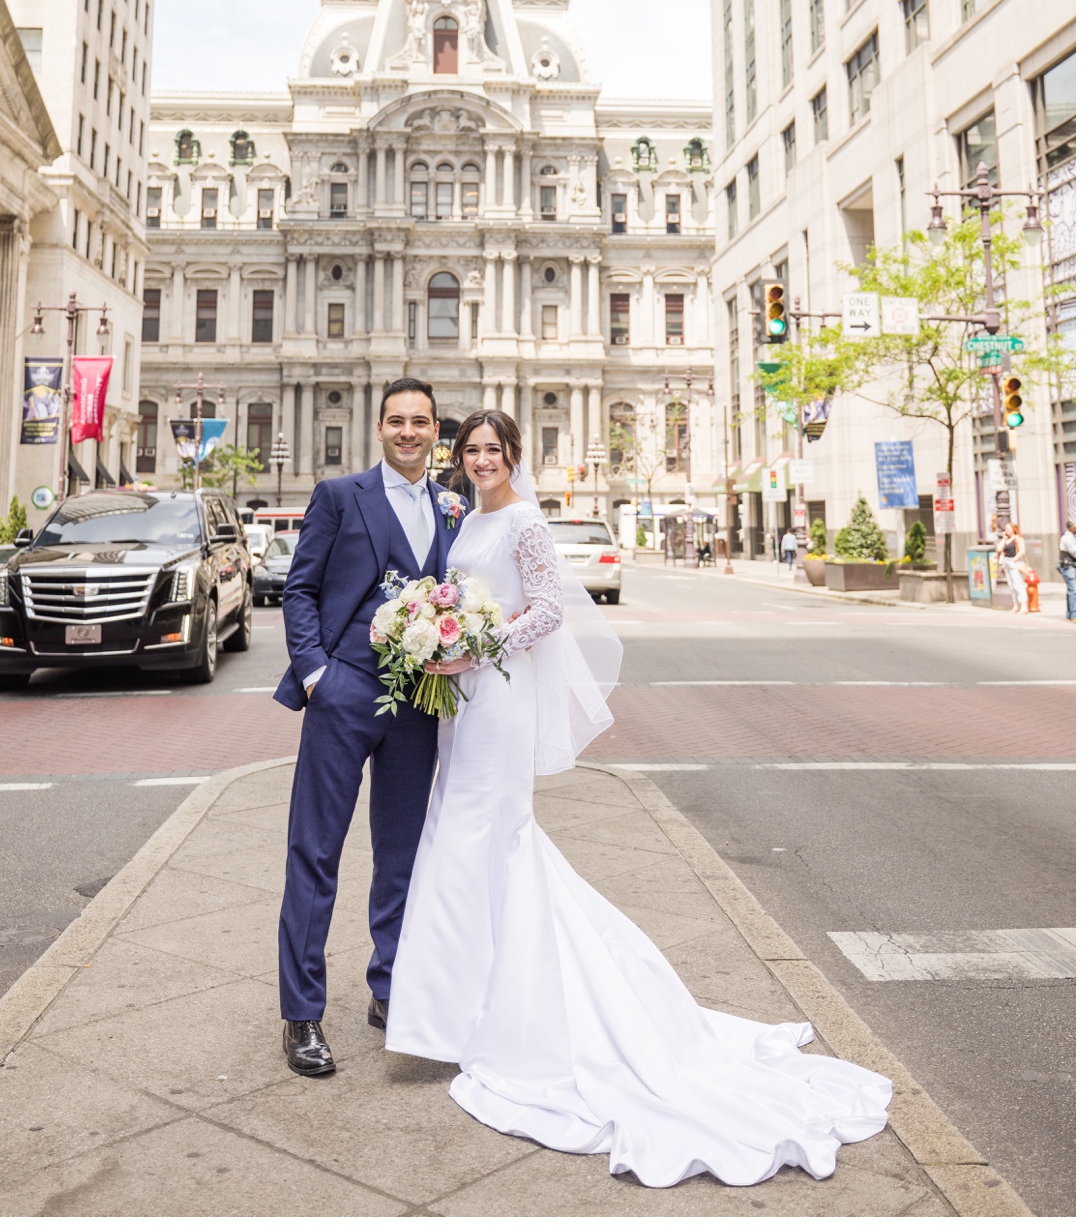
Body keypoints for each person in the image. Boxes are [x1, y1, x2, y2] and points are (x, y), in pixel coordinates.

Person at [385, 409, 891, 1188]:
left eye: (494, 450)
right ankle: (466, 1003)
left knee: (479, 837)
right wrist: (441, 639)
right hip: (468, 702)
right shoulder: (466, 522)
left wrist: (475, 647)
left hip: (498, 699)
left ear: (515, 457)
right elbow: (471, 598)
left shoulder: (523, 521)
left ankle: (471, 1015)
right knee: (465, 838)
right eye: (472, 451)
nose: (482, 460)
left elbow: (549, 609)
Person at [273, 378, 468, 1078]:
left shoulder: (455, 504)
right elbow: (299, 589)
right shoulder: (338, 496)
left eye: (420, 422)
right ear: (378, 427)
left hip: (418, 701)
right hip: (343, 693)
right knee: (315, 852)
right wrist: (318, 674)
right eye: (397, 421)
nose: (408, 432)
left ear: (435, 430)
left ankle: (390, 991)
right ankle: (302, 1014)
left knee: (403, 857)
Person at [996, 520, 1028, 613]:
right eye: (1005, 529)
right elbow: (999, 549)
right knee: (1011, 585)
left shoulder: (1018, 538)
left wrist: (1014, 560)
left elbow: (1022, 551)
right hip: (1006, 562)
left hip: (1014, 562)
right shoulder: (1006, 540)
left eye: (1008, 528)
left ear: (1013, 529)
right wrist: (1004, 539)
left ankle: (1023, 605)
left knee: (1018, 584)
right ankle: (1016, 605)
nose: (1006, 530)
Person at [1058, 519, 1076, 621]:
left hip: (1070, 566)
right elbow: (1074, 551)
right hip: (1068, 566)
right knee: (1073, 591)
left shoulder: (1071, 537)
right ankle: (1074, 615)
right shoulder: (1067, 538)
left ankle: (1070, 614)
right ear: (1071, 527)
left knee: (1071, 590)